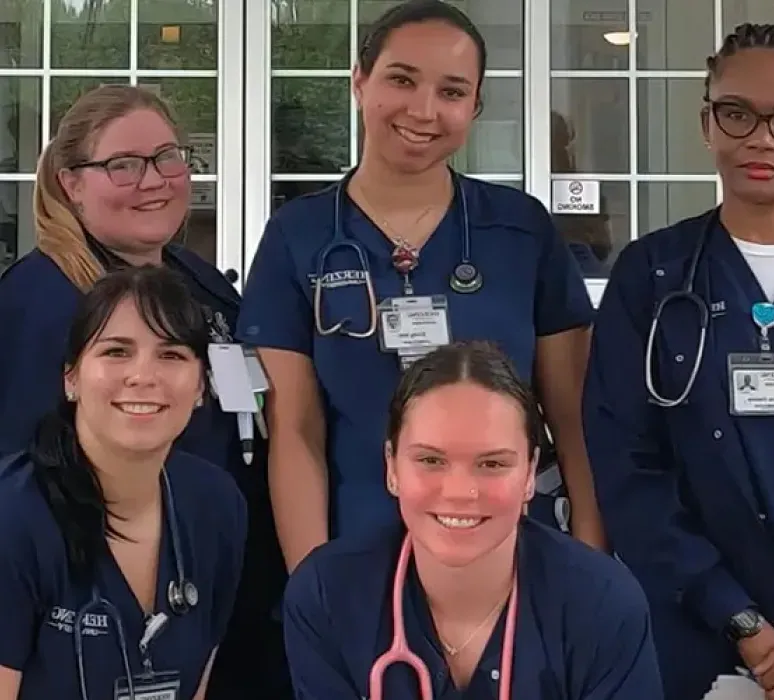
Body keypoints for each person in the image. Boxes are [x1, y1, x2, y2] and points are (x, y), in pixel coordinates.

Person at [583, 22, 774, 700]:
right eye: (737, 113)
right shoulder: (650, 276)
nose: (761, 138)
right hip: (698, 649)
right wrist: (741, 622)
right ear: (708, 124)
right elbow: (626, 466)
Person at [236, 0, 604, 576]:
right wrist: (316, 587)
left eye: (452, 92)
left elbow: (576, 420)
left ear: (475, 106)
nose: (423, 110)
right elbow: (296, 433)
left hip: (516, 557)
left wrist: (589, 555)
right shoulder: (298, 237)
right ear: (360, 82)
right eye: (401, 80)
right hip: (359, 553)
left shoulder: (520, 231)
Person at [0, 85, 289, 699]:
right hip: (95, 622)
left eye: (167, 157)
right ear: (70, 182)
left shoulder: (196, 281)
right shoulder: (41, 302)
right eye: (123, 165)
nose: (154, 179)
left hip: (212, 594)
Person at [282, 341, 662, 699]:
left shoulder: (604, 605)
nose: (461, 492)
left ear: (530, 473)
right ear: (391, 467)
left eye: (492, 463)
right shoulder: (326, 597)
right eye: (431, 460)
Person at [0, 265, 246, 700]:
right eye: (116, 352)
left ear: (201, 387)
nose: (143, 376)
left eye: (171, 355)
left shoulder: (216, 506)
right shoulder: (14, 518)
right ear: (71, 377)